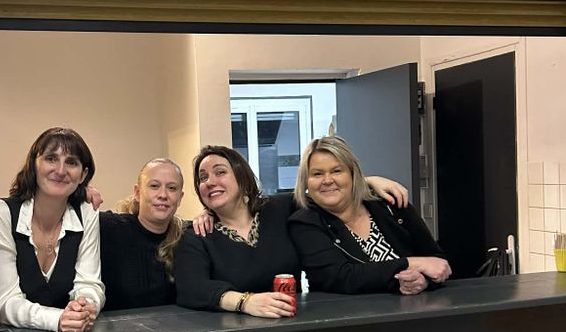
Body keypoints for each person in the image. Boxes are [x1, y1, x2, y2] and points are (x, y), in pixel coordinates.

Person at [173, 144, 411, 318]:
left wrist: (368, 181)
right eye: (202, 178)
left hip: (295, 327)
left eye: (220, 172)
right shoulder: (197, 234)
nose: (210, 181)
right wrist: (245, 302)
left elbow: (324, 190)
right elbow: (191, 288)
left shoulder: (282, 209)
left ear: (242, 177)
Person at [0, 127, 105, 332]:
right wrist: (58, 319)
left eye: (71, 162)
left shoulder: (87, 212)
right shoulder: (0, 214)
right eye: (51, 159)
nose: (60, 170)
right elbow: (6, 303)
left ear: (83, 175)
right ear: (33, 165)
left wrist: (85, 307)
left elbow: (89, 283)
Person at [288, 135, 450, 296]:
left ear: (353, 174)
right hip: (348, 311)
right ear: (306, 181)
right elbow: (341, 277)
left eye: (337, 171)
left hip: (415, 308)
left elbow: (437, 261)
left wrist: (423, 281)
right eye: (317, 174)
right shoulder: (304, 222)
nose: (327, 180)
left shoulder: (391, 203)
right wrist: (411, 263)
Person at [99, 158, 185, 310]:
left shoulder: (187, 237)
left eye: (172, 188)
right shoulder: (108, 228)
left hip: (174, 325)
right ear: (138, 193)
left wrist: (208, 214)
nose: (163, 194)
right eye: (154, 186)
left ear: (180, 198)